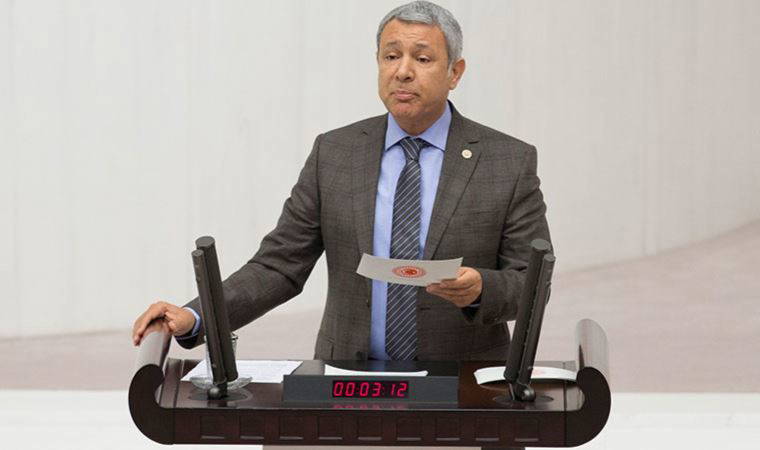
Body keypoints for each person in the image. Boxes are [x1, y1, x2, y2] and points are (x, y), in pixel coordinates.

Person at [132, 0, 550, 362]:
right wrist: (196, 315)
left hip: (462, 385)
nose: (403, 72)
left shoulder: (507, 162)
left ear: (455, 72)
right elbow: (279, 265)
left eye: (422, 59)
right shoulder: (335, 153)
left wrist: (481, 289)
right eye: (391, 56)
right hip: (348, 380)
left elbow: (531, 283)